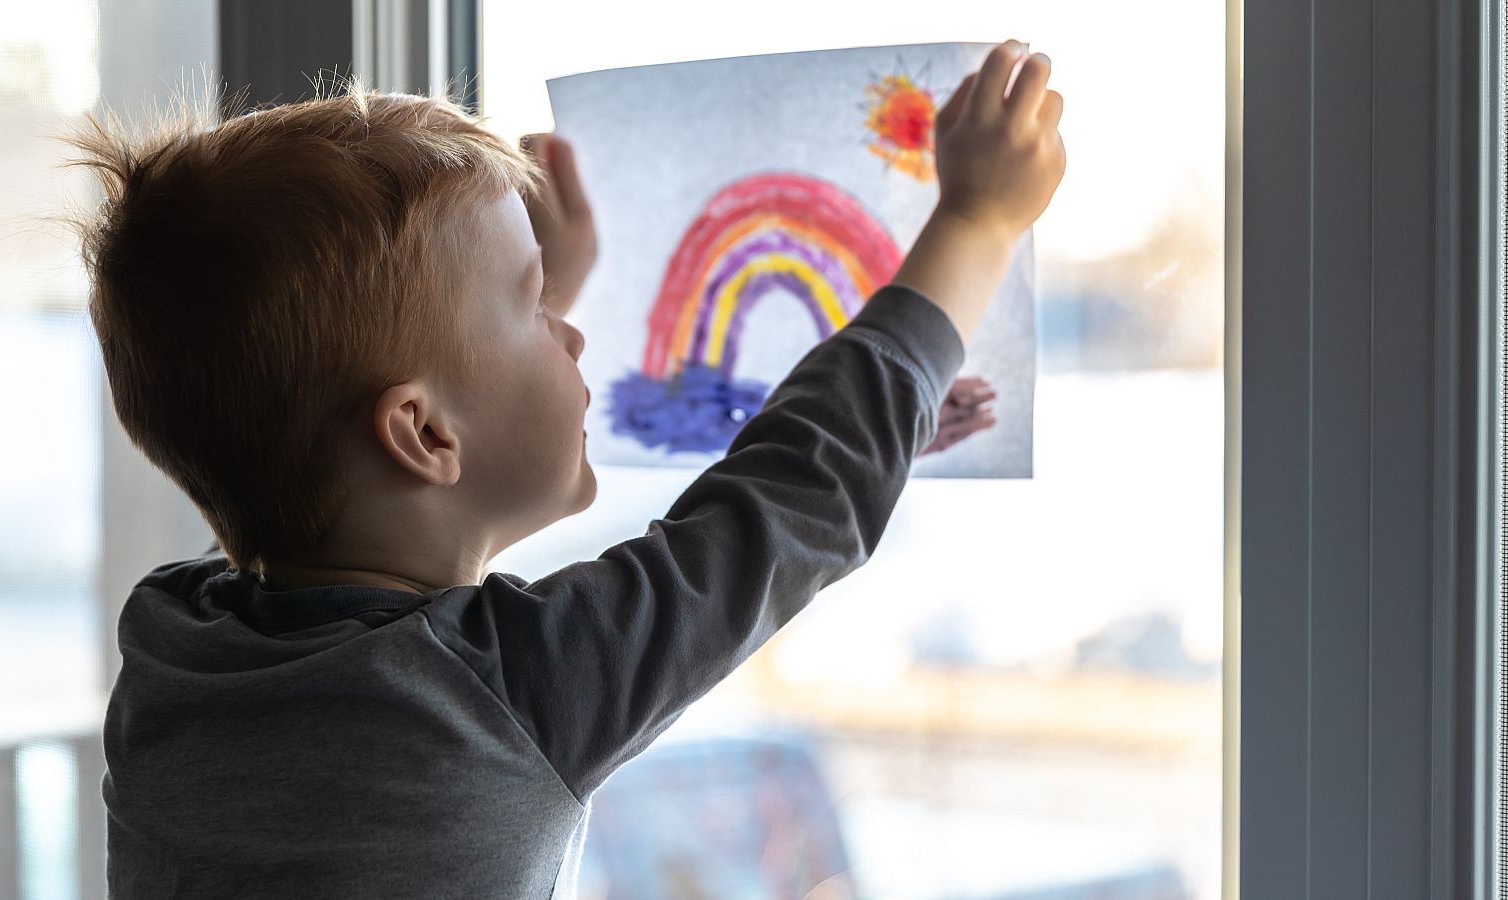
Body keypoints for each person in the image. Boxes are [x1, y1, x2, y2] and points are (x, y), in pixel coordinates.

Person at [71, 37, 1063, 899]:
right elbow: (799, 495)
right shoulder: (501, 697)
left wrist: (512, 308)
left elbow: (303, 473)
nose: (575, 339)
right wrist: (972, 223)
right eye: (538, 306)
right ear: (421, 434)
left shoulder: (176, 643)